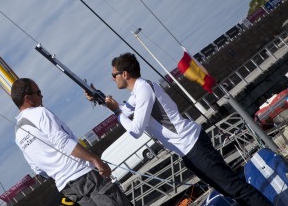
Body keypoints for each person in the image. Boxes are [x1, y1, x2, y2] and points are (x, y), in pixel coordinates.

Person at [85, 53, 273, 206]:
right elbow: (124, 111)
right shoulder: (138, 92)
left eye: (113, 75)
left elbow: (135, 130)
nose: (112, 79)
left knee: (235, 188)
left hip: (194, 146)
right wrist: (99, 99)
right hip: (188, 152)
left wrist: (116, 111)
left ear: (124, 74)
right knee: (228, 191)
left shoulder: (143, 90)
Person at [11, 78, 132, 206]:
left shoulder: (18, 133)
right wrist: (95, 159)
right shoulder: (39, 113)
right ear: (28, 98)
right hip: (84, 174)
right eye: (38, 92)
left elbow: (37, 168)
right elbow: (63, 141)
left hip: (68, 188)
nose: (42, 96)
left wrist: (58, 171)